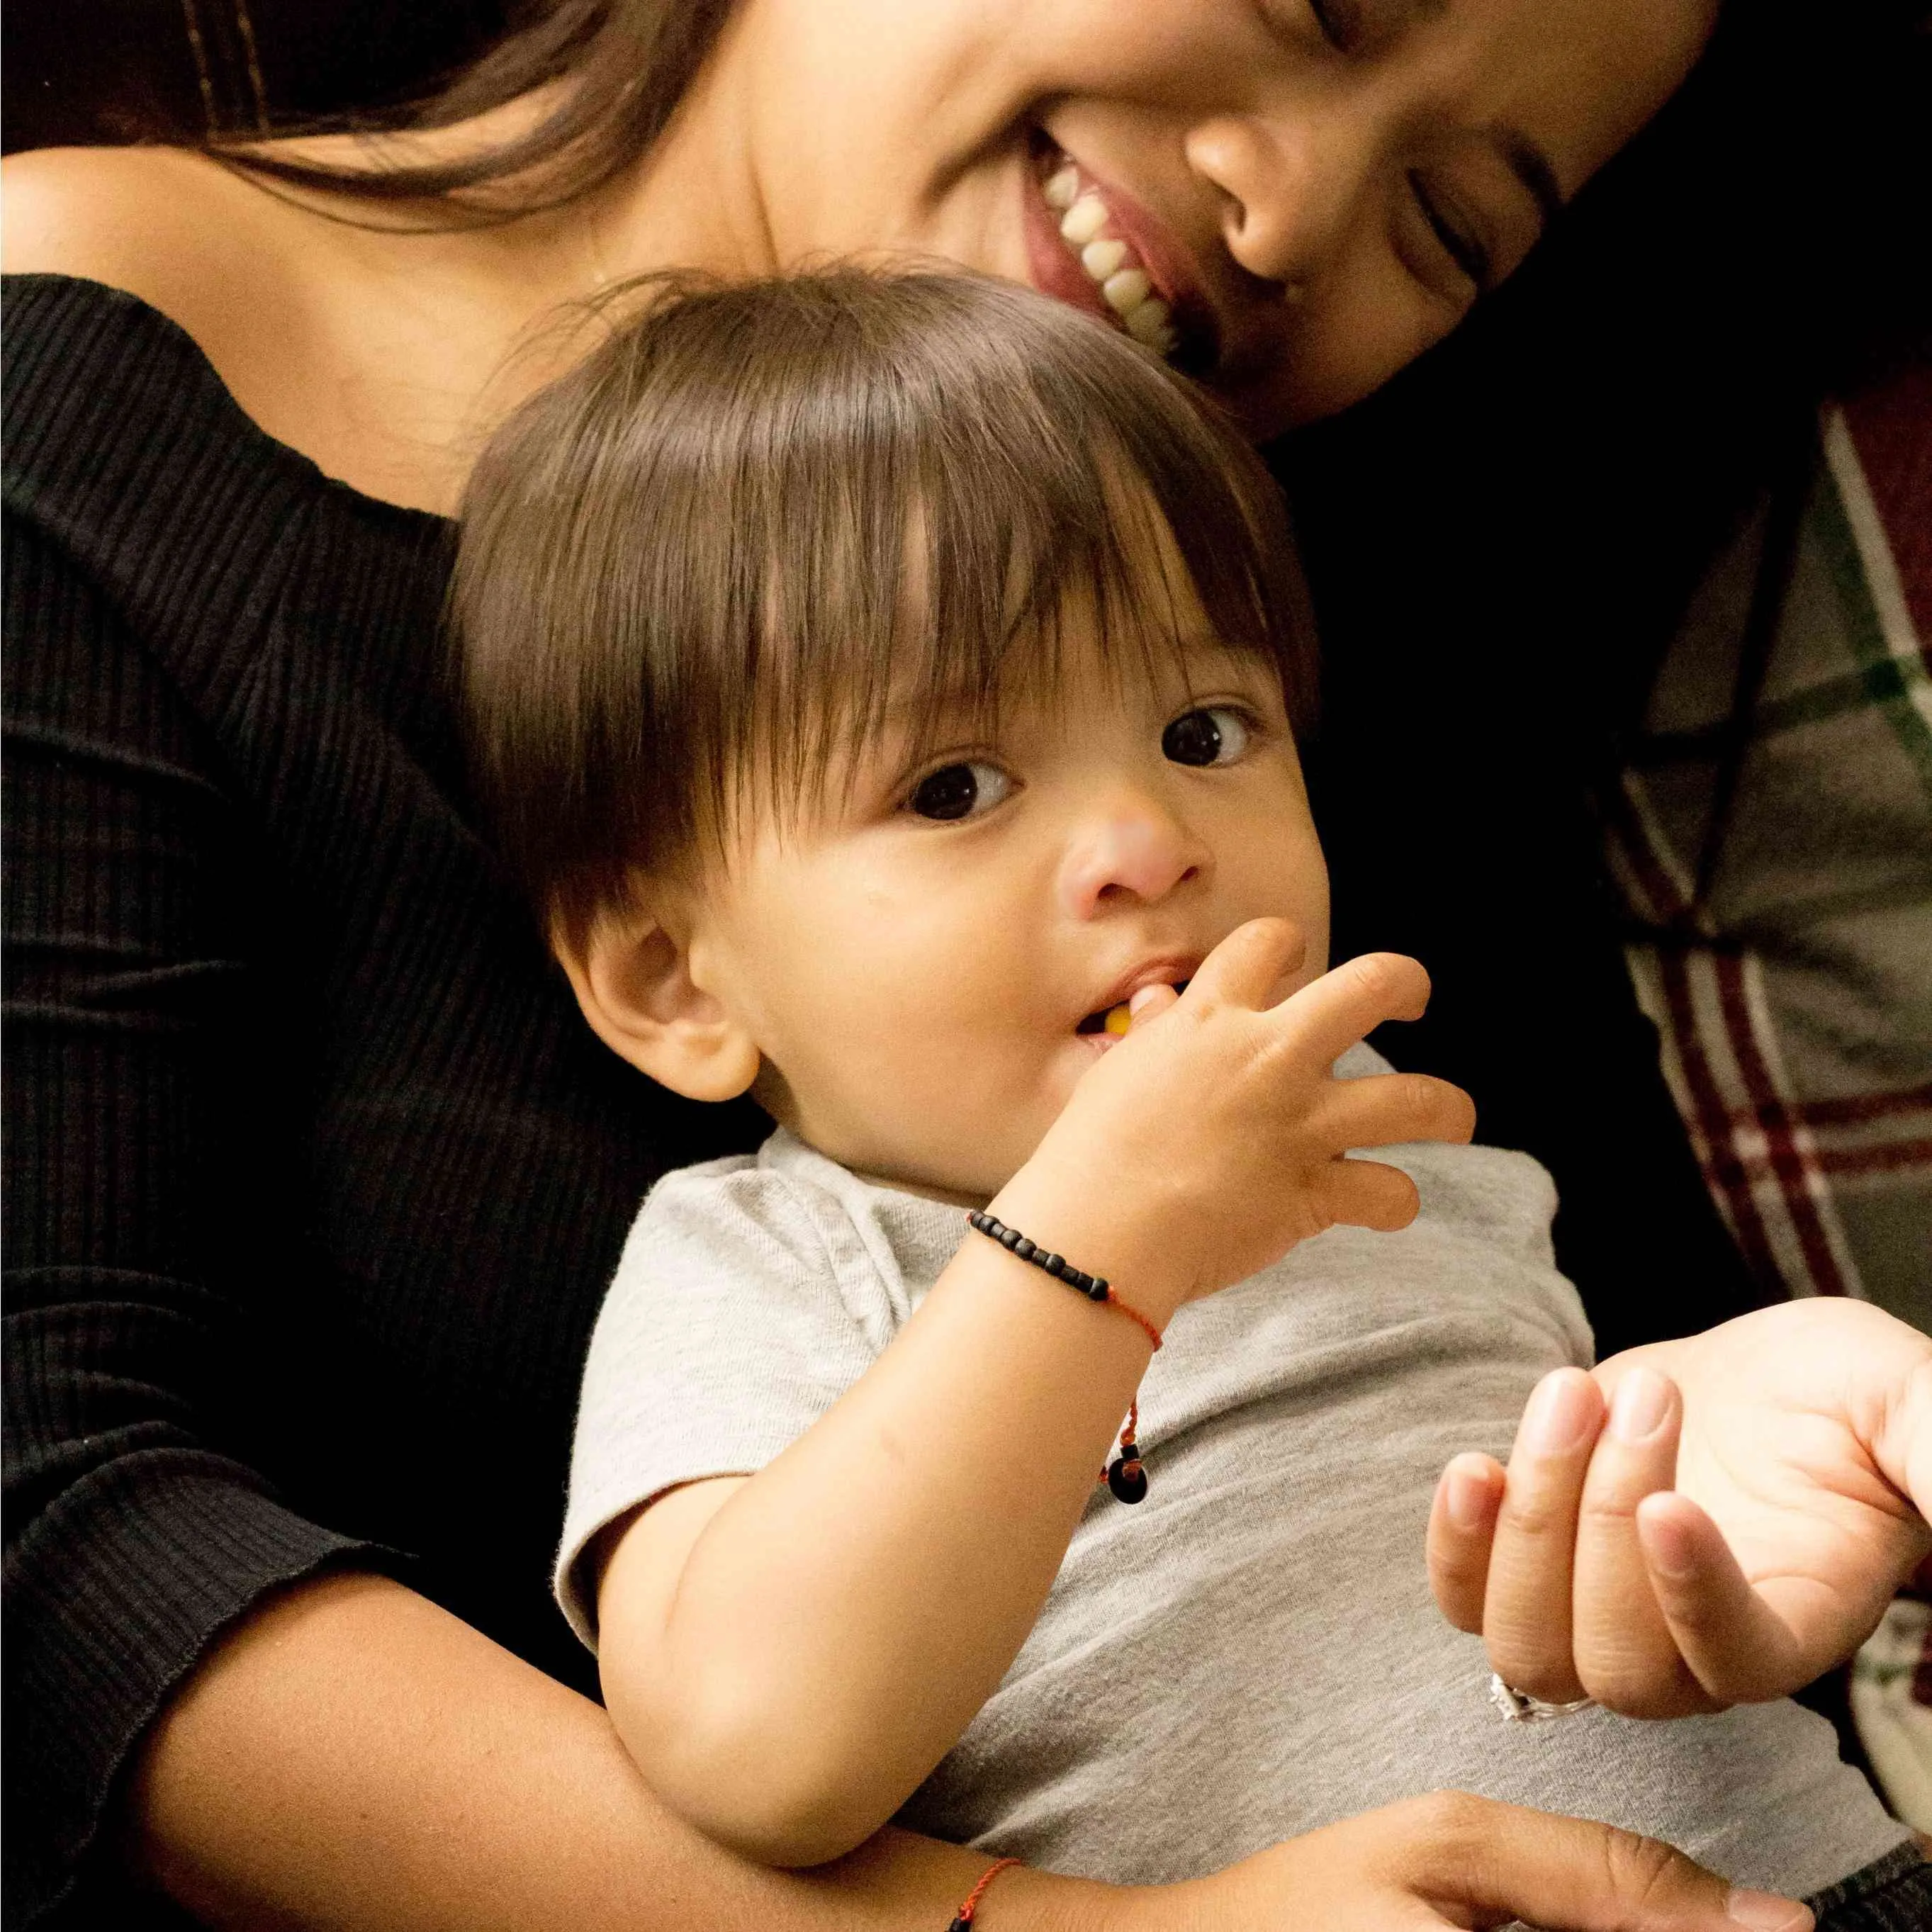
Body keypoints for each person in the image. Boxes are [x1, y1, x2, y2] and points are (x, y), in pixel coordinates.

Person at [0, 0, 1899, 1925]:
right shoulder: (63, 417)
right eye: (1308, 5)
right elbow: (57, 1525)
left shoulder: (1308, 625)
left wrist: (1752, 1455)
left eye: (1446, 226)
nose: (1288, 216)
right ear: (664, 964)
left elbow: (1613, 1409)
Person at [440, 264, 1927, 1924]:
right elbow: (751, 1745)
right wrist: (1093, 1243)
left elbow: (1502, 1542)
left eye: (1205, 728)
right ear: (678, 981)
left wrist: (1684, 1465)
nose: (1151, 841)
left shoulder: (1366, 1112)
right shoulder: (770, 1255)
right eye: (955, 785)